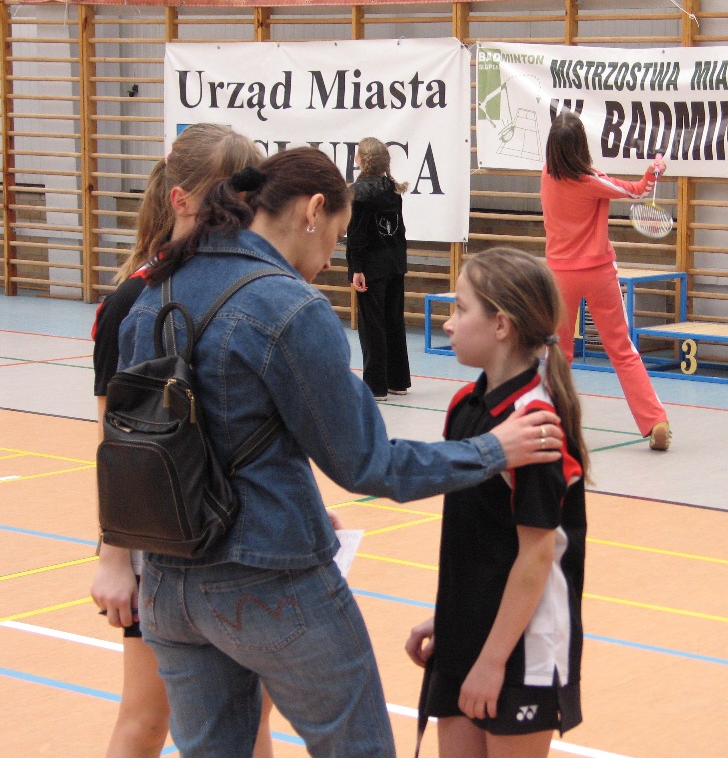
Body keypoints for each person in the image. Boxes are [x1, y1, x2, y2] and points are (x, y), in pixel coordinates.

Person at [118, 146, 564, 758]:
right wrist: (490, 450)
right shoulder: (287, 307)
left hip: (168, 584)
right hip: (269, 580)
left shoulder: (155, 291)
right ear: (313, 211)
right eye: (337, 234)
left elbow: (147, 443)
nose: (332, 257)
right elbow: (371, 465)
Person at [90, 123, 276, 758]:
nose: (239, 213)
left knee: (252, 715)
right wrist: (115, 559)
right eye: (227, 197)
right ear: (182, 199)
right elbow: (118, 447)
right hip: (165, 540)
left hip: (243, 538)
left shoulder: (250, 290)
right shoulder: (133, 301)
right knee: (148, 716)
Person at [405, 247, 588, 758]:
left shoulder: (535, 424)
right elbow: (477, 537)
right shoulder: (465, 406)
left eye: (460, 309)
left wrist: (491, 661)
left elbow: (536, 555)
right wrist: (451, 617)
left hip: (521, 648)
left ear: (501, 324)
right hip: (467, 633)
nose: (448, 323)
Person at [540, 110, 672, 451]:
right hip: (599, 273)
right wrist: (653, 171)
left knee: (558, 353)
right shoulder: (591, 181)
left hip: (560, 276)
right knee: (622, 351)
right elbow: (638, 192)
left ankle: (549, 422)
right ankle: (654, 421)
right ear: (582, 146)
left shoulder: (547, 175)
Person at [346, 137, 412, 403]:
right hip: (394, 262)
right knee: (393, 321)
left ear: (361, 160)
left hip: (371, 266)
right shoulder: (392, 188)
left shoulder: (358, 192)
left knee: (372, 325)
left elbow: (357, 234)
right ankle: (398, 381)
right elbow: (398, 229)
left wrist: (356, 268)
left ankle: (375, 386)